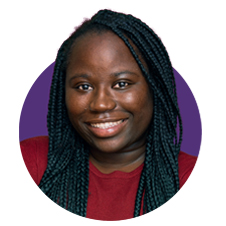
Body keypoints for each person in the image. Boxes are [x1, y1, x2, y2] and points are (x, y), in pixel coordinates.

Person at [20, 9, 197, 221]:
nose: (101, 104)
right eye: (83, 86)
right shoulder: (31, 161)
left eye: (122, 84)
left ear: (155, 88)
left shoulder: (192, 178)